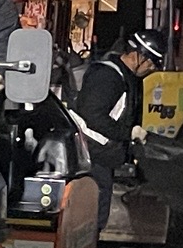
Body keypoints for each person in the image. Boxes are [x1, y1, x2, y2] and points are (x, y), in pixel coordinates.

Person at [70, 26, 167, 230]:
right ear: (138, 55)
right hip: (91, 156)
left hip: (100, 157)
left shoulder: (124, 77)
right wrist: (127, 133)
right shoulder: (108, 77)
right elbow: (92, 115)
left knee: (95, 217)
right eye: (150, 62)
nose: (150, 68)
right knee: (92, 219)